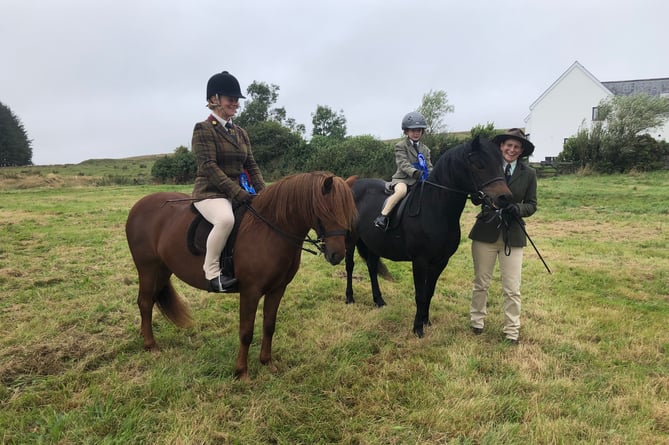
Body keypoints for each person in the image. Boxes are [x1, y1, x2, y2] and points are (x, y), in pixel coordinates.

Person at [191, 71, 266, 292]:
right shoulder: (203, 129)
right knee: (225, 220)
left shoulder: (241, 133)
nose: (235, 103)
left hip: (241, 190)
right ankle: (212, 272)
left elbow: (251, 165)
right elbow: (208, 167)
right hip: (211, 192)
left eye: (236, 100)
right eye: (230, 99)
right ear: (214, 99)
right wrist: (237, 192)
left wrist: (264, 193)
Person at [468, 128, 537, 344]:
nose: (512, 149)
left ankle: (512, 330)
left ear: (521, 150)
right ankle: (477, 321)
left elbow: (532, 205)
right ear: (501, 146)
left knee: (512, 287)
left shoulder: (529, 174)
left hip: (513, 235)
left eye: (517, 147)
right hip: (485, 233)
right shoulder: (490, 167)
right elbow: (475, 195)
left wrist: (517, 209)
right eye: (508, 145)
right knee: (481, 282)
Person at [373, 111, 432, 231]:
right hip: (403, 179)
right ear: (406, 131)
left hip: (421, 180)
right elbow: (403, 163)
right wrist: (415, 172)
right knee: (401, 192)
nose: (416, 133)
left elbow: (429, 165)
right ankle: (383, 217)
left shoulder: (425, 149)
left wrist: (433, 175)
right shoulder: (401, 146)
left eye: (419, 130)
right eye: (413, 130)